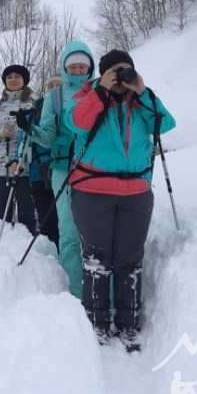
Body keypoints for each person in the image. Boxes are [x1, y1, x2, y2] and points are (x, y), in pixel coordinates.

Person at [65, 49, 175, 350]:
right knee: (97, 259)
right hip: (92, 191)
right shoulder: (87, 96)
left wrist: (142, 91)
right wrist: (100, 92)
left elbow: (166, 125)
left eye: (127, 70)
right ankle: (98, 324)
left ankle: (129, 324)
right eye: (116, 71)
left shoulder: (141, 103)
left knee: (130, 259)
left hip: (136, 193)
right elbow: (77, 123)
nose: (122, 76)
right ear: (103, 73)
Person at [27, 41, 96, 298]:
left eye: (82, 66)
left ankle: (101, 293)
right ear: (65, 67)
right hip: (62, 169)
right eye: (73, 66)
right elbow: (47, 137)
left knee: (94, 233)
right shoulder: (53, 98)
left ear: (90, 67)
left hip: (95, 169)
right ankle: (77, 295)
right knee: (67, 231)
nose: (78, 71)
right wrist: (30, 130)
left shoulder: (99, 91)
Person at [0, 65, 36, 234]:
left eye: (17, 76)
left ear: (24, 80)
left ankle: (29, 250)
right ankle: (5, 250)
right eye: (9, 76)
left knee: (27, 213)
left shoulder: (34, 104)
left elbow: (41, 135)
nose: (13, 79)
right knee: (2, 213)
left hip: (25, 168)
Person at [21, 77, 62, 251]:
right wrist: (19, 159)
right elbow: (25, 140)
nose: (53, 89)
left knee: (65, 215)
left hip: (64, 168)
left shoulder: (73, 109)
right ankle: (52, 252)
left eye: (58, 86)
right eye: (50, 86)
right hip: (39, 170)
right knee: (46, 214)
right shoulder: (35, 112)